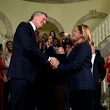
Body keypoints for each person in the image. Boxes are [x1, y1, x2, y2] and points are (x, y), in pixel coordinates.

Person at [7, 11, 55, 110]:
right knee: (18, 105)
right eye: (43, 19)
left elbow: (33, 54)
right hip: (20, 73)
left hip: (28, 75)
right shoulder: (24, 26)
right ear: (35, 17)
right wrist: (48, 59)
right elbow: (28, 47)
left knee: (26, 105)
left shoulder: (33, 33)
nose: (45, 22)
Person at [50, 24, 95, 110]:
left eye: (75, 31)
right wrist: (58, 65)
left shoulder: (84, 46)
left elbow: (75, 65)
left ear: (82, 34)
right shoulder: (78, 47)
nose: (73, 33)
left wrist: (58, 65)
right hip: (77, 86)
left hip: (83, 87)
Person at [91, 42, 106, 110]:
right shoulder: (86, 58)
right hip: (87, 82)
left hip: (96, 82)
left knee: (96, 99)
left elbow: (103, 71)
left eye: (91, 49)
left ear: (94, 49)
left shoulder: (100, 59)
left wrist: (100, 78)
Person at [2, 40, 13, 110]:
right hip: (6, 75)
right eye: (8, 44)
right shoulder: (3, 54)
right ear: (6, 46)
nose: (10, 46)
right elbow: (2, 66)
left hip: (13, 76)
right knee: (5, 93)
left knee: (13, 93)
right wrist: (4, 76)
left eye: (11, 44)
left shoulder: (15, 54)